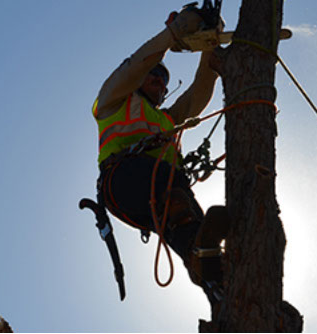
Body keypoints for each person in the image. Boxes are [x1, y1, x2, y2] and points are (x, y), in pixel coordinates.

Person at [91, 8, 228, 307]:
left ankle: (216, 285)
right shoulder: (113, 100)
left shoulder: (167, 119)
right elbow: (134, 67)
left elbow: (197, 96)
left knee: (194, 220)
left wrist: (210, 49)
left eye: (163, 78)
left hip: (162, 193)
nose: (158, 79)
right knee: (170, 187)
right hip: (123, 182)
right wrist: (172, 35)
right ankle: (203, 260)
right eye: (154, 74)